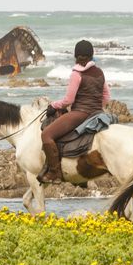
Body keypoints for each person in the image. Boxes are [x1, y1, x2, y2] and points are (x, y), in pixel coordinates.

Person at [37, 40, 111, 184]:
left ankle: (54, 172)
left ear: (76, 56)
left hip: (80, 114)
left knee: (46, 135)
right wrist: (95, 107)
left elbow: (68, 100)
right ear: (92, 55)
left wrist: (54, 105)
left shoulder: (77, 74)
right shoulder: (99, 72)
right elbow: (107, 97)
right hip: (97, 113)